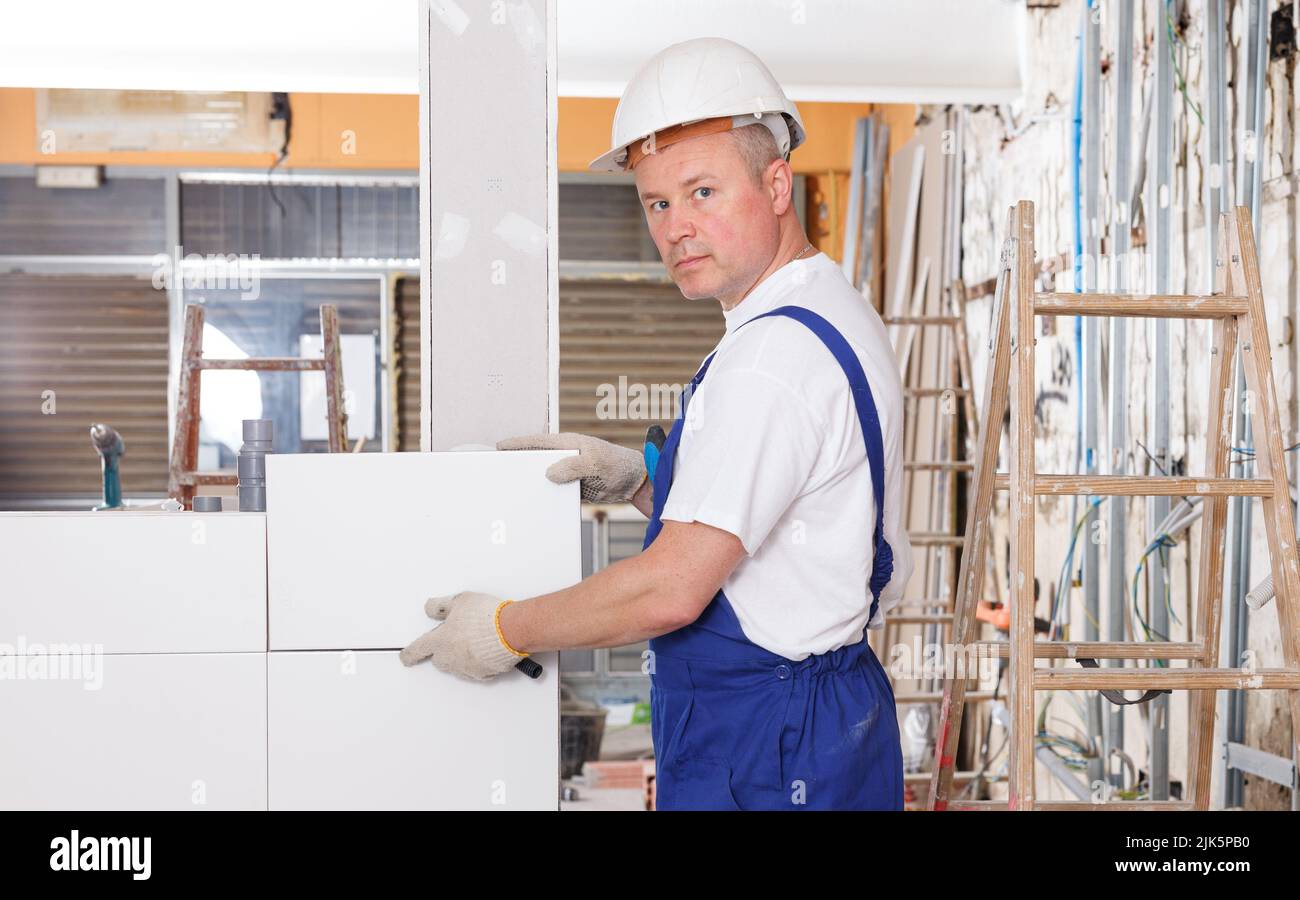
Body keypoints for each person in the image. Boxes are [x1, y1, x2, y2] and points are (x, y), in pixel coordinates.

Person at [401, 36, 912, 811]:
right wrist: (641, 479)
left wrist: (505, 629)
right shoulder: (827, 306)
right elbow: (779, 518)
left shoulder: (770, 358)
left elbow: (672, 591)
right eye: (657, 202)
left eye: (703, 191)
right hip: (828, 719)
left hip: (765, 742)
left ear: (776, 185)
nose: (676, 227)